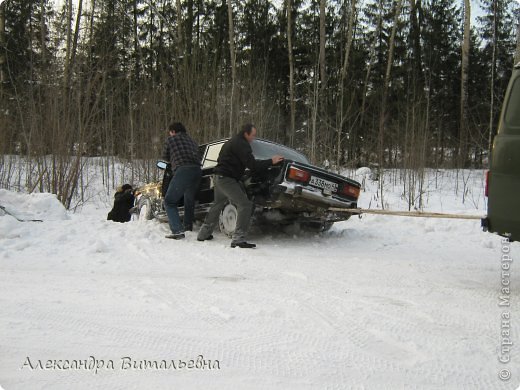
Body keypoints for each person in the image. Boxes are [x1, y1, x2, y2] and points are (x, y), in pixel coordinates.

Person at [197, 124, 284, 248]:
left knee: (217, 204)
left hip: (218, 177)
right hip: (227, 179)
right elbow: (252, 165)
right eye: (253, 135)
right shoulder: (242, 144)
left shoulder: (231, 142)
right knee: (245, 204)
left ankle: (203, 234)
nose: (253, 138)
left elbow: (223, 160)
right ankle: (238, 238)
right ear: (246, 133)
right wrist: (271, 161)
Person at [162, 122, 202, 240]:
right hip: (197, 171)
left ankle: (177, 231)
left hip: (183, 170)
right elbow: (199, 156)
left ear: (173, 131)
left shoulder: (171, 140)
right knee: (189, 200)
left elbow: (165, 156)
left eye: (170, 132)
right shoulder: (193, 141)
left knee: (169, 201)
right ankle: (187, 226)